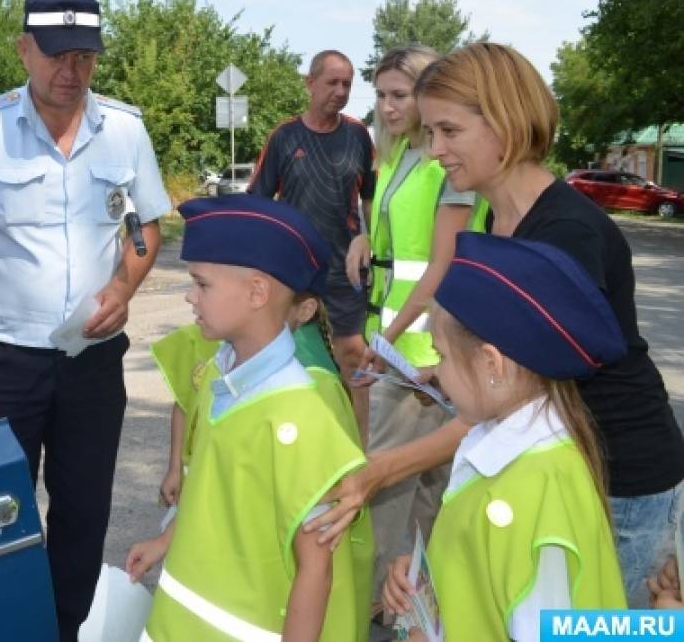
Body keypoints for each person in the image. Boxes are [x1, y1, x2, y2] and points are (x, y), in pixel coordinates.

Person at [312, 42, 684, 609]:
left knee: (603, 627)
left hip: (618, 478)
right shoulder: (495, 217)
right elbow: (507, 373)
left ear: (506, 122)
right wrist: (448, 371)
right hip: (554, 467)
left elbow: (523, 400)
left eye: (449, 131)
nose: (435, 150)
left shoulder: (564, 233)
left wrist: (379, 470)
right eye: (431, 132)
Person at [0, 0, 170, 640]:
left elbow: (146, 228)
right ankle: (1, 628)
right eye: (55, 56)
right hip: (4, 358)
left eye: (83, 57)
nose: (70, 72)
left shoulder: (123, 129)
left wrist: (123, 290)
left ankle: (63, 631)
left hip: (92, 359)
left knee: (82, 511)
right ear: (23, 49)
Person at [126, 195, 373, 642]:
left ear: (258, 293)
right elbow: (210, 483)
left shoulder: (299, 415)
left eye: (202, 284)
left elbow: (316, 571)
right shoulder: (221, 373)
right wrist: (168, 540)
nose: (188, 295)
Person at [382, 232, 627, 640]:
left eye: (441, 355)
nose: (437, 372)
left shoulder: (534, 490)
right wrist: (427, 579)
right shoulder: (504, 448)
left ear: (491, 364)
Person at [342, 45, 482, 604]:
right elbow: (398, 241)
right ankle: (417, 607)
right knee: (428, 490)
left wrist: (389, 339)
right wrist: (362, 238)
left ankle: (371, 606)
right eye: (380, 95)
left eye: (400, 95)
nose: (389, 106)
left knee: (389, 485)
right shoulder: (397, 155)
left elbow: (443, 264)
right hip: (403, 347)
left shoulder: (447, 168)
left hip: (423, 354)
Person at [247, 49, 375, 431]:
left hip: (345, 270)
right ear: (310, 83)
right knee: (300, 358)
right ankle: (306, 437)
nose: (340, 91)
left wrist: (372, 241)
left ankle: (357, 450)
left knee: (352, 356)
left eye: (347, 84)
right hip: (297, 272)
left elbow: (371, 197)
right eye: (332, 82)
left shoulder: (357, 135)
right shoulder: (285, 137)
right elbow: (258, 204)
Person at [153, 294, 342, 507]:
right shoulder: (217, 348)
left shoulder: (314, 377)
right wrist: (175, 468)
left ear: (305, 310)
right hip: (204, 486)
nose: (191, 296)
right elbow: (186, 402)